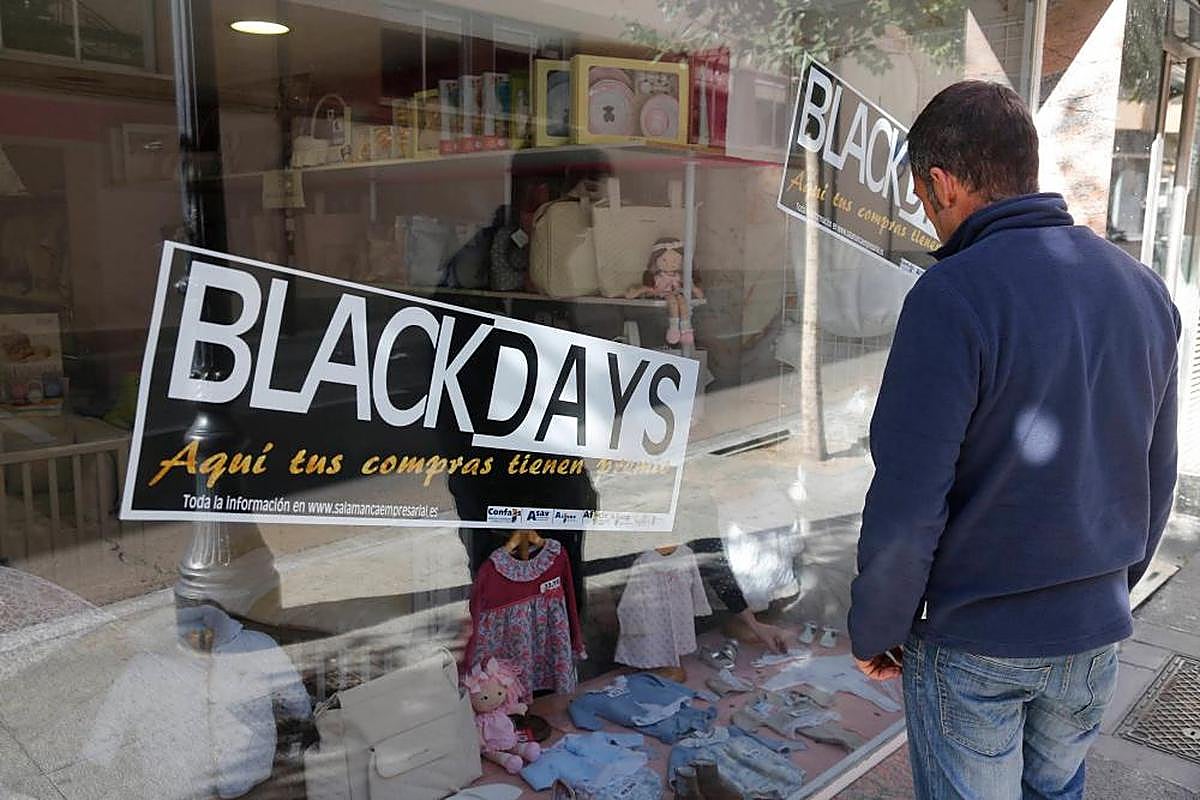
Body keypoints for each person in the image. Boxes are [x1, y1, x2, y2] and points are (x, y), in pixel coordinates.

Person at [848, 81, 1180, 799]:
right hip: (1091, 636)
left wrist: (878, 622)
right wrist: (1104, 593)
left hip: (977, 640)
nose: (927, 216)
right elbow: (1158, 473)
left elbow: (911, 497)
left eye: (921, 196)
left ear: (941, 183)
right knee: (1057, 792)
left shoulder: (952, 296)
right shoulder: (1144, 289)